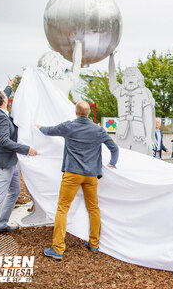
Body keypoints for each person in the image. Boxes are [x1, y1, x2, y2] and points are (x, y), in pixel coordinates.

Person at [38, 101, 119, 260]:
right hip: (91, 175)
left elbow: (49, 131)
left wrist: (38, 127)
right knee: (93, 208)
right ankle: (94, 243)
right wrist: (113, 163)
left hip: (72, 173)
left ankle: (58, 248)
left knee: (62, 208)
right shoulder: (98, 129)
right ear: (88, 113)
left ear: (76, 112)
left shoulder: (69, 127)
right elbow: (114, 148)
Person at [0, 79, 38, 244]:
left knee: (14, 191)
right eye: (5, 94)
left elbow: (0, 97)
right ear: (3, 100)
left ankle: (2, 224)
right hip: (3, 164)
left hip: (9, 162)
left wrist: (9, 85)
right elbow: (5, 141)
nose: (6, 94)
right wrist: (27, 149)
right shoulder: (0, 118)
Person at [108, 52, 156, 155]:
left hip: (139, 133)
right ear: (124, 79)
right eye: (127, 75)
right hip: (122, 132)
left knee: (141, 159)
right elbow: (111, 78)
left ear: (138, 78)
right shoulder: (119, 90)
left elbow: (148, 115)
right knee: (122, 158)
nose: (130, 78)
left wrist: (148, 136)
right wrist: (111, 58)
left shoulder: (144, 92)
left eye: (133, 75)